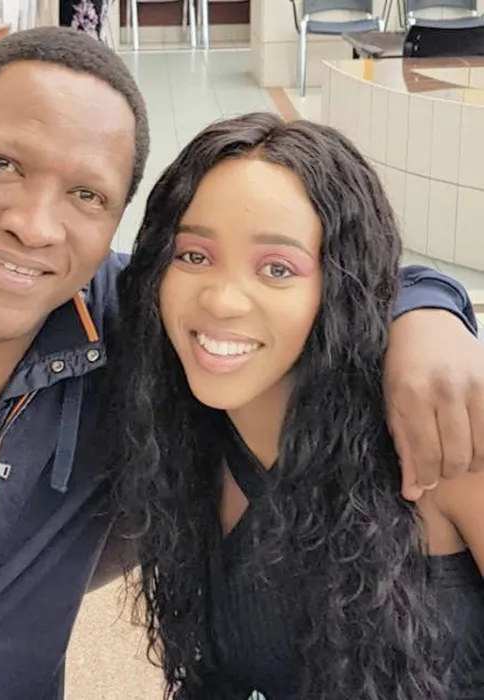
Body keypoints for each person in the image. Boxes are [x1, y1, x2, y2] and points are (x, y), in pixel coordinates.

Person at [0, 27, 481, 700]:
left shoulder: (125, 326)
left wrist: (427, 312)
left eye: (87, 195)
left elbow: (344, 276)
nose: (34, 224)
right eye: (2, 163)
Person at [109, 113, 484, 700]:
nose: (222, 300)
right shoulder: (185, 441)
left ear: (338, 287)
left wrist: (432, 309)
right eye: (194, 256)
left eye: (277, 268)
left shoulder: (438, 440)